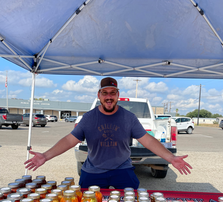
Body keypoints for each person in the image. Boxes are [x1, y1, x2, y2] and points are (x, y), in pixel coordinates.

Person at [25, 77, 192, 189]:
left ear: (118, 95)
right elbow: (70, 140)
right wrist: (45, 156)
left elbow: (147, 140)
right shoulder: (89, 118)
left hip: (122, 169)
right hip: (93, 171)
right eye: (105, 93)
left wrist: (170, 157)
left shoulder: (129, 118)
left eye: (113, 93)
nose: (109, 97)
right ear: (99, 95)